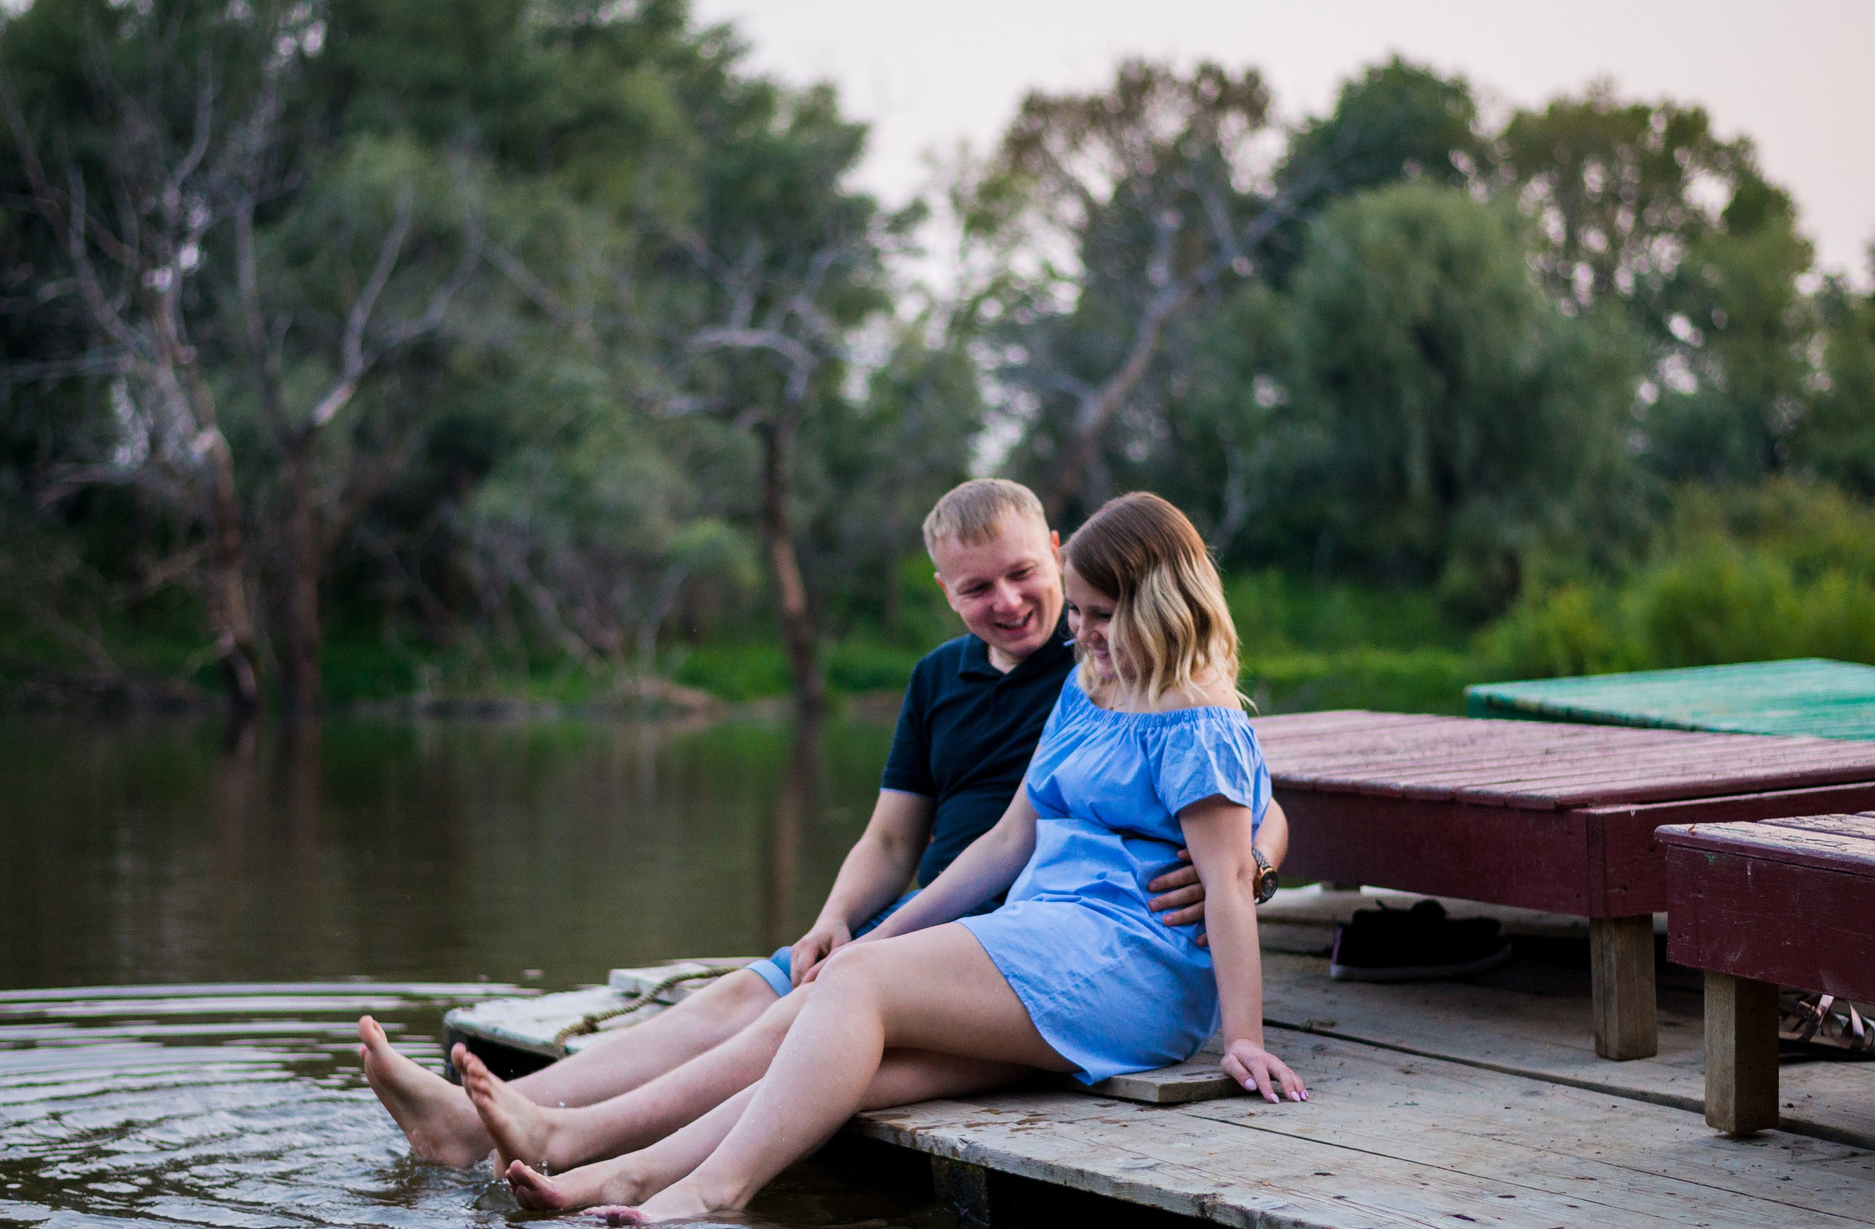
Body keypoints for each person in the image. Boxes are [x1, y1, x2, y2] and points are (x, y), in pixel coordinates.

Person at [354, 479, 1289, 1170]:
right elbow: (890, 840)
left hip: (1041, 937)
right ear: (944, 590)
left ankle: (570, 1142)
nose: (1008, 602)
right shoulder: (945, 678)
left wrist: (1250, 865)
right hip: (934, 920)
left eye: (1023, 575)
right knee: (739, 997)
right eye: (976, 588)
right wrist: (837, 920)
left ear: (1056, 551)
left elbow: (1247, 794)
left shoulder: (1112, 656)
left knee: (804, 1012)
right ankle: (486, 1123)